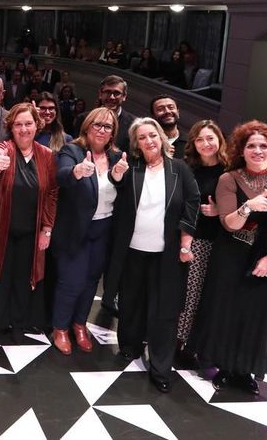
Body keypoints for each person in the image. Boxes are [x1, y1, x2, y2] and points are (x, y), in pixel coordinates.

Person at [192, 121, 267, 394]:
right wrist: (248, 206)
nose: (257, 150)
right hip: (230, 255)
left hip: (266, 260)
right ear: (241, 151)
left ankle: (244, 371)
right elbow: (229, 223)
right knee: (227, 312)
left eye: (263, 146)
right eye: (251, 146)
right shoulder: (228, 179)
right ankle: (224, 368)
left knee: (255, 315)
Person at [103, 117, 199, 394]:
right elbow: (114, 185)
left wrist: (185, 242)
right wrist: (117, 174)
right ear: (136, 143)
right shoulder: (130, 167)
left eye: (152, 135)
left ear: (161, 138)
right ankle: (129, 347)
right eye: (142, 137)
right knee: (131, 302)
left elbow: (192, 203)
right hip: (132, 250)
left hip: (166, 254)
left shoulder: (179, 168)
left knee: (164, 311)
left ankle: (160, 366)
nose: (149, 141)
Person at [50, 108, 128, 355]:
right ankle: (60, 327)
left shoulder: (117, 157)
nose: (102, 130)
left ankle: (80, 324)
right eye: (97, 124)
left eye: (108, 127)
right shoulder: (72, 150)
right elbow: (61, 176)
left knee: (91, 281)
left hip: (104, 229)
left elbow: (123, 191)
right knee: (71, 281)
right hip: (75, 230)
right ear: (87, 126)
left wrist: (118, 178)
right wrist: (77, 171)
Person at [0, 103, 58, 342]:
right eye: (18, 124)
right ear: (11, 127)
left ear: (37, 125)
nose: (23, 129)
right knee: (0, 276)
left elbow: (52, 193)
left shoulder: (46, 156)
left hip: (31, 230)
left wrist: (47, 228)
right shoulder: (4, 148)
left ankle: (20, 321)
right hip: (1, 229)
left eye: (28, 123)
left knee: (24, 278)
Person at [176, 119, 229, 361]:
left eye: (210, 138)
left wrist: (220, 211)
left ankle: (198, 344)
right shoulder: (188, 169)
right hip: (192, 239)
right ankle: (180, 343)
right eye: (200, 139)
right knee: (189, 294)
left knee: (209, 296)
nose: (205, 144)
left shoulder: (230, 172)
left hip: (219, 242)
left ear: (219, 140)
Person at [76, 75, 135, 150]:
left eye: (116, 93)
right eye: (107, 92)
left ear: (124, 96)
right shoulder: (83, 119)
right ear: (100, 94)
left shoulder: (133, 123)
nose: (111, 97)